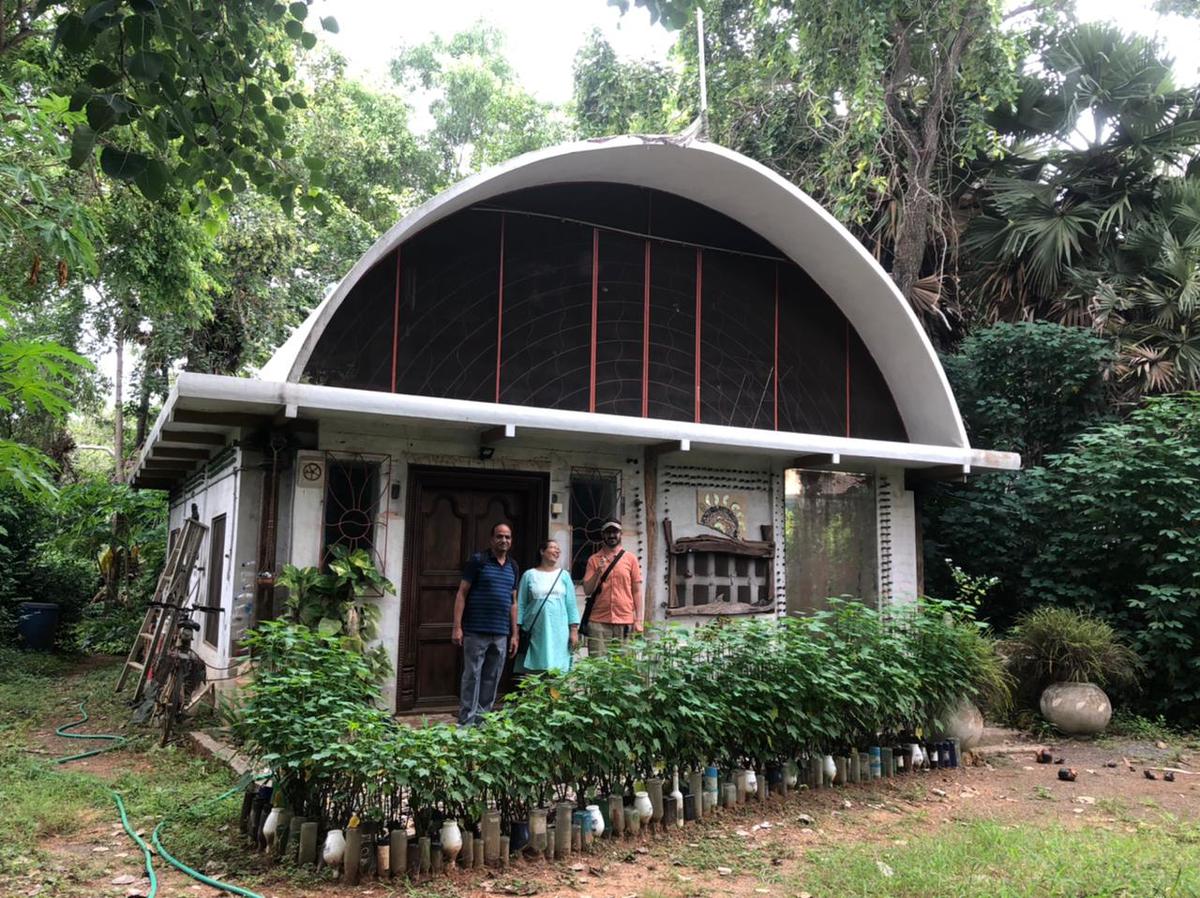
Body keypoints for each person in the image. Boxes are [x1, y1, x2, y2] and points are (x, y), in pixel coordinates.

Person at [452, 522, 520, 726]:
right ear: (492, 539)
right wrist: (457, 626)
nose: (504, 540)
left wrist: (514, 634)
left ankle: (482, 721)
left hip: (500, 632)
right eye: (500, 536)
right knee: (472, 675)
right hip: (475, 630)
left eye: (507, 537)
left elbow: (513, 602)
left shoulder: (513, 566)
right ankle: (466, 721)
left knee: (492, 677)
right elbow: (461, 593)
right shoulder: (478, 561)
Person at [516, 539, 579, 674]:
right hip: (535, 631)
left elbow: (571, 605)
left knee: (557, 672)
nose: (557, 551)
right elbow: (520, 604)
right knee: (535, 673)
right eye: (553, 547)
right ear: (542, 552)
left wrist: (573, 630)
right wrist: (516, 631)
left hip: (559, 632)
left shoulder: (564, 575)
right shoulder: (529, 575)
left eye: (558, 549)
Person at [581, 520, 643, 655]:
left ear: (621, 534)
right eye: (608, 532)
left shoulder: (630, 558)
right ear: (603, 534)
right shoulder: (594, 559)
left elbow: (637, 591)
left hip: (625, 620)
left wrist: (639, 620)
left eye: (615, 532)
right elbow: (587, 590)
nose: (612, 535)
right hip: (598, 622)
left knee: (624, 668)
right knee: (599, 667)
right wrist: (598, 571)